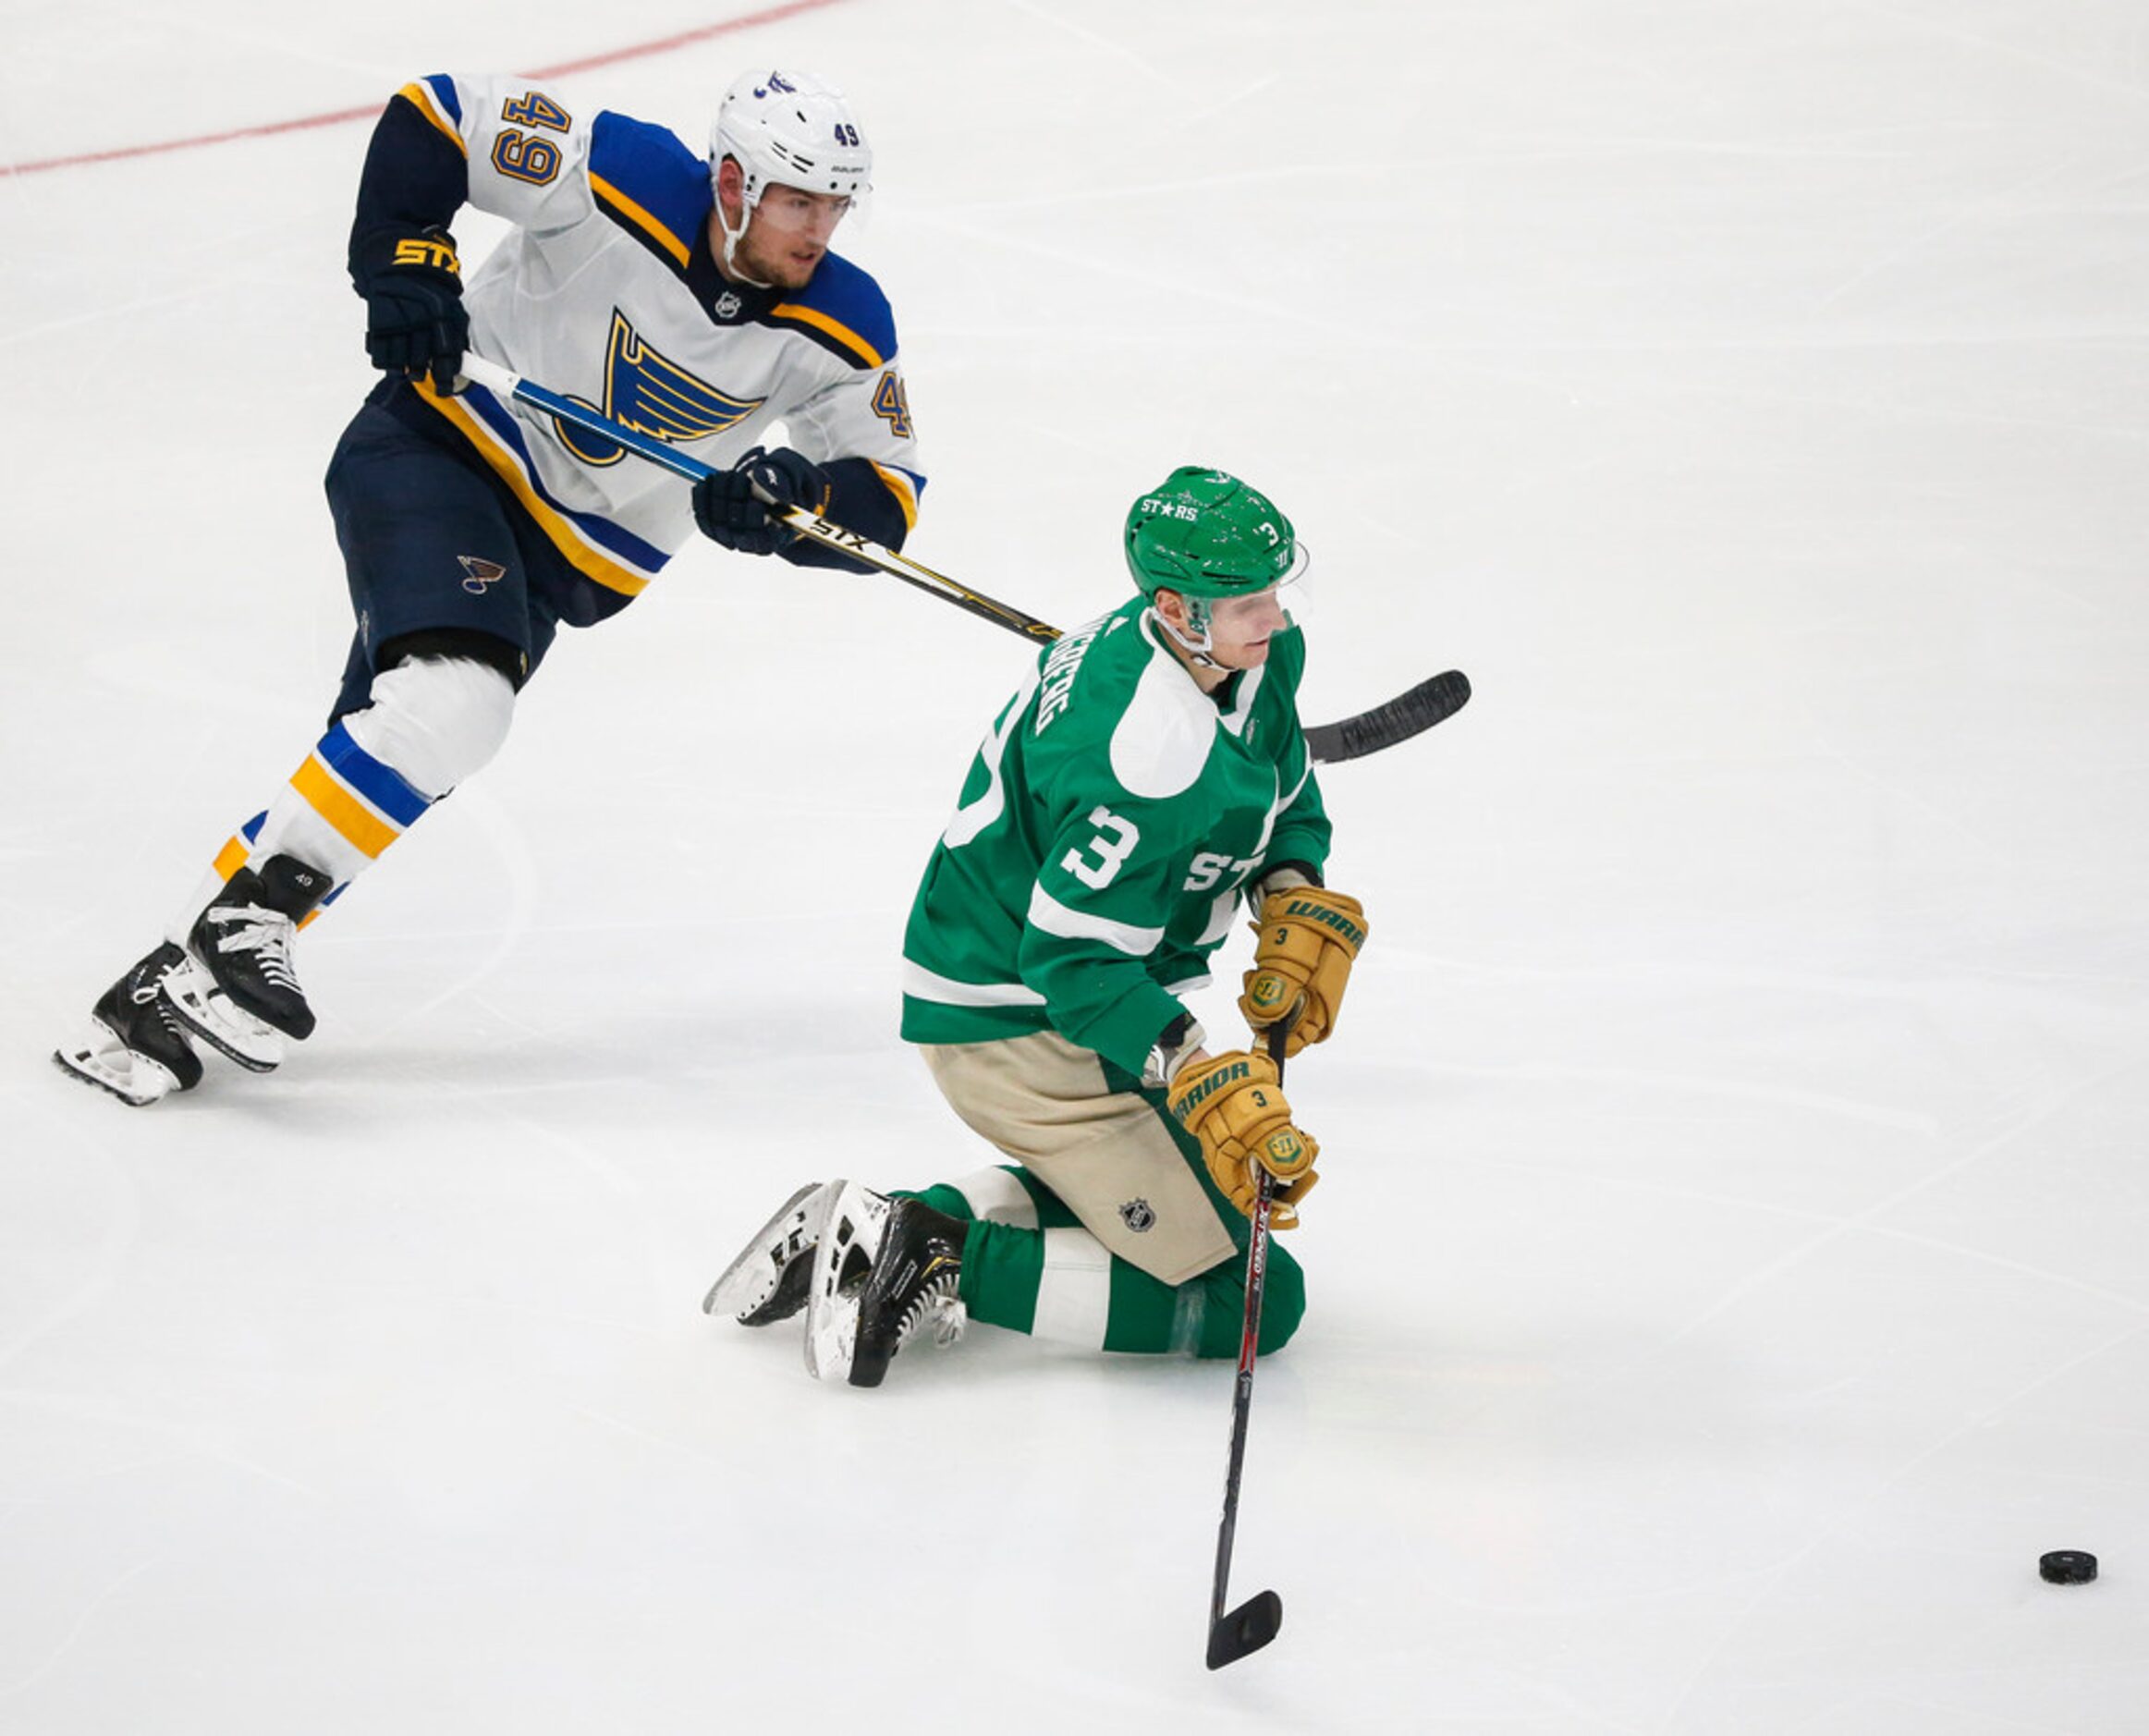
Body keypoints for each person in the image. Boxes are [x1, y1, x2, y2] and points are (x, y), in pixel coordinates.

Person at [55, 67, 924, 1106]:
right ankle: (243, 926)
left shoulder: (847, 320)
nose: (819, 227)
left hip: (563, 560)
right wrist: (409, 268)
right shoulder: (622, 170)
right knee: (456, 702)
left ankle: (164, 992)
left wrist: (793, 501)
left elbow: (885, 499)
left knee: (390, 747)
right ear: (732, 181)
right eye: (797, 199)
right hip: (443, 449)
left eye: (834, 203)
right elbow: (439, 117)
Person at [704, 467, 1370, 1388]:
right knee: (1252, 1300)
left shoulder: (1238, 657)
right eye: (1250, 603)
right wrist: (1189, 1065)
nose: (1279, 620)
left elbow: (1282, 784)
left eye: (1275, 594)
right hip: (1024, 1025)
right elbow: (1070, 961)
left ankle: (890, 1219)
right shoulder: (1140, 763)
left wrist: (1293, 887)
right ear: (1178, 611)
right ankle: (935, 1254)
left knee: (1207, 1193)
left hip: (1063, 995)